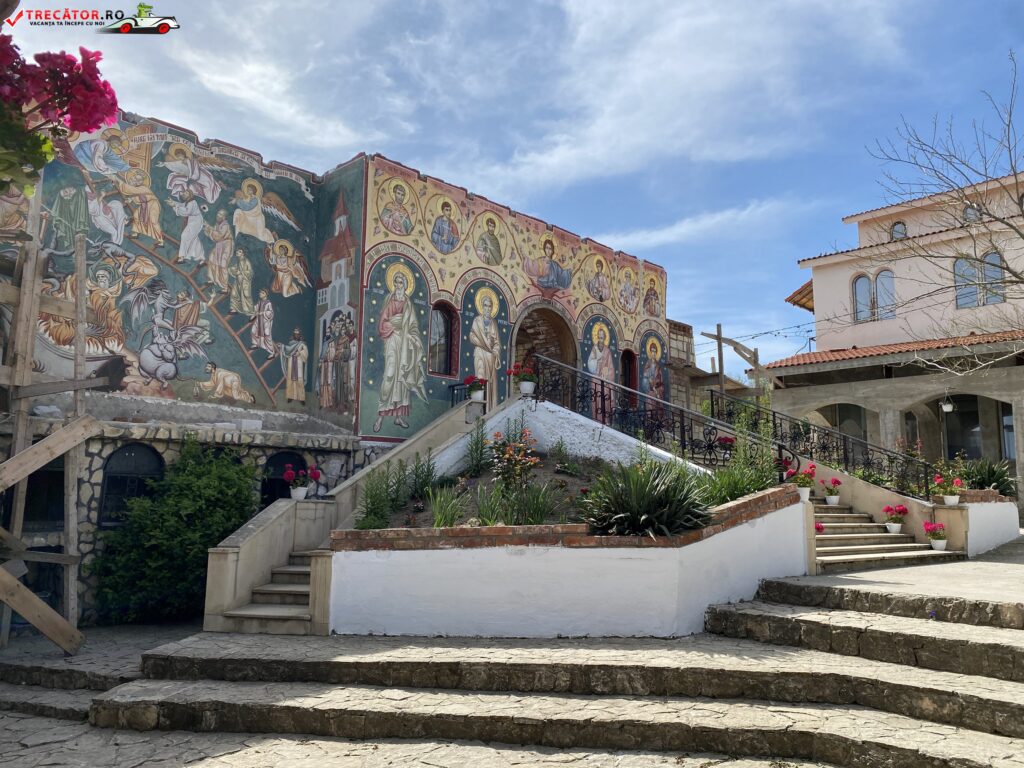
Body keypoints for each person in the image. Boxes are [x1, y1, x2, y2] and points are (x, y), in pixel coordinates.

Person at [373, 271, 426, 432]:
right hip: (392, 340)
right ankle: (380, 417)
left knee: (402, 379)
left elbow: (413, 326)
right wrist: (394, 324)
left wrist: (413, 337)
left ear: (405, 285)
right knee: (389, 376)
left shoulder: (408, 304)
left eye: (401, 282)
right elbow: (383, 323)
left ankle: (398, 417)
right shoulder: (390, 301)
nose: (398, 285)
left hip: (404, 343)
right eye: (396, 282)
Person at [469, 293, 502, 410]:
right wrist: (482, 343)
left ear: (492, 308)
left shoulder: (494, 323)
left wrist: (495, 352)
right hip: (480, 353)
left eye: (489, 306)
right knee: (480, 376)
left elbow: (497, 343)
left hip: (490, 356)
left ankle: (489, 408)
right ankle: (479, 407)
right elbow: (472, 336)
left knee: (490, 382)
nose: (487, 308)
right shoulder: (477, 320)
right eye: (485, 305)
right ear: (482, 306)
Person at [115, 169, 163, 246]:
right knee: (136, 215)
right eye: (134, 178)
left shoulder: (143, 188)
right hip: (145, 205)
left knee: (153, 221)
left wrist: (118, 180)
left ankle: (160, 241)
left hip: (153, 205)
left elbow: (133, 190)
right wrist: (132, 199)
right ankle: (135, 234)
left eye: (137, 179)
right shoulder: (139, 188)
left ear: (140, 182)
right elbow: (140, 197)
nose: (134, 179)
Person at [587, 327, 616, 423]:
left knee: (605, 397)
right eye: (599, 337)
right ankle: (596, 419)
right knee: (596, 397)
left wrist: (606, 373)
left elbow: (611, 368)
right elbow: (590, 363)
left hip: (605, 380)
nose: (600, 340)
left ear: (605, 338)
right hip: (596, 379)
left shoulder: (607, 351)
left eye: (602, 338)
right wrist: (596, 361)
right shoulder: (594, 349)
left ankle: (605, 420)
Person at [50, 186, 90, 251]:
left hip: (78, 224)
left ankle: (77, 251)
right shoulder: (61, 194)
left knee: (79, 245)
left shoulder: (81, 193)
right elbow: (56, 211)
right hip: (66, 223)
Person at [204, 209, 233, 291]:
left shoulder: (225, 226)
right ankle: (212, 279)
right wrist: (208, 228)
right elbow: (214, 236)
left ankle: (225, 287)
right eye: (218, 214)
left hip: (226, 246)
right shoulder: (217, 225)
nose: (218, 216)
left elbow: (219, 236)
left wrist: (209, 228)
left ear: (224, 217)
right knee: (212, 259)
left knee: (223, 264)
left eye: (220, 214)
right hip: (219, 245)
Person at [280, 327, 308, 403]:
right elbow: (288, 349)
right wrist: (282, 346)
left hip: (299, 363)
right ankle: (290, 396)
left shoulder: (302, 343)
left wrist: (300, 353)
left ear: (299, 335)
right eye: (295, 334)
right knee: (291, 380)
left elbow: (306, 353)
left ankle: (301, 398)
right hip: (291, 362)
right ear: (293, 334)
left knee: (299, 381)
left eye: (297, 334)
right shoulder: (291, 343)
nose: (296, 335)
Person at [228, 247, 254, 315]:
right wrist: (231, 269)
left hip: (244, 282)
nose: (237, 252)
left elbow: (250, 272)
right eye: (237, 251)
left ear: (243, 253)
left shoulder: (246, 261)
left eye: (239, 251)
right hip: (238, 281)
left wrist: (241, 272)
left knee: (246, 295)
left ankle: (249, 310)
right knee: (234, 293)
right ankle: (234, 309)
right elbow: (236, 268)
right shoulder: (239, 261)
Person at [250, 288, 275, 357]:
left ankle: (272, 352)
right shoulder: (260, 302)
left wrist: (263, 313)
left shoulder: (268, 303)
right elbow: (255, 308)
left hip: (265, 322)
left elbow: (271, 313)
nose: (260, 294)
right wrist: (253, 312)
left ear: (266, 295)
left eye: (262, 293)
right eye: (260, 292)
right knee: (253, 331)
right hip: (258, 320)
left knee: (267, 337)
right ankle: (255, 344)